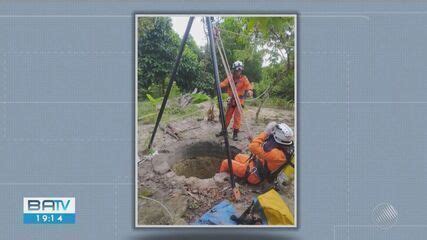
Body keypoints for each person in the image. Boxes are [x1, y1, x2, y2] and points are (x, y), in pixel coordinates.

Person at [219, 122, 294, 185]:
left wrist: (265, 133)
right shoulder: (285, 148)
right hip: (257, 163)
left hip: (254, 174)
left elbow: (253, 147)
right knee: (237, 156)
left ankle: (220, 177)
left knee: (225, 162)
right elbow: (261, 151)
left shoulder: (276, 154)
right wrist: (253, 140)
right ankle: (235, 171)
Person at [216, 61, 253, 141]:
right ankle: (223, 131)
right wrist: (217, 85)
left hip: (240, 101)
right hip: (231, 100)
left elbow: (248, 86)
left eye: (240, 70)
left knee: (237, 118)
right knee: (227, 117)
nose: (238, 72)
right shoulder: (230, 78)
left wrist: (250, 91)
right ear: (234, 70)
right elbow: (223, 83)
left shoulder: (244, 78)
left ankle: (235, 134)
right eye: (237, 70)